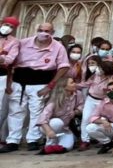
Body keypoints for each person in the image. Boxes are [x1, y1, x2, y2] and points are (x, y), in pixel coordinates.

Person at [1, 22, 70, 153]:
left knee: (36, 112)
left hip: (41, 82)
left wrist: (50, 85)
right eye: (40, 30)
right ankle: (12, 141)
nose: (43, 33)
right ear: (36, 30)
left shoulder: (58, 47)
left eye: (47, 31)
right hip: (19, 81)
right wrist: (9, 82)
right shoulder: (23, 43)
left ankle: (32, 139)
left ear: (52, 33)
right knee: (15, 111)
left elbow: (64, 66)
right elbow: (10, 62)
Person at [36, 77, 80, 154]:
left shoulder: (77, 94)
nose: (75, 84)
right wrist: (49, 131)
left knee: (67, 147)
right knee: (57, 122)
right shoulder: (54, 100)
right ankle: (49, 145)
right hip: (49, 127)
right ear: (64, 87)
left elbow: (81, 107)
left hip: (64, 129)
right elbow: (42, 118)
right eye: (72, 83)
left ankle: (55, 145)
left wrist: (75, 112)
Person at [86, 80, 113, 154]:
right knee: (90, 128)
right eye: (109, 90)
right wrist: (103, 121)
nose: (111, 91)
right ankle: (107, 143)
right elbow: (92, 117)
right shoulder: (103, 102)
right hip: (112, 126)